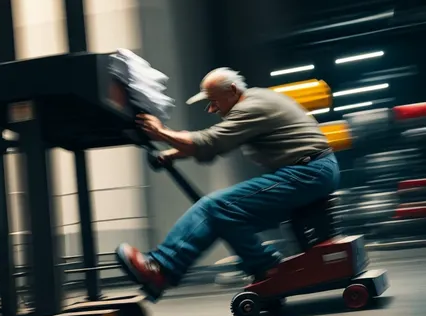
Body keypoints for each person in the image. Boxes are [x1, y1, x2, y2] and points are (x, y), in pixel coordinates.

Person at [116, 67, 340, 301]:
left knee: (216, 206)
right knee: (229, 218)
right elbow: (217, 143)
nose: (212, 109)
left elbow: (210, 142)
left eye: (213, 101)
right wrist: (172, 154)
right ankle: (266, 269)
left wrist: (161, 132)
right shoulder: (255, 100)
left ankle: (160, 268)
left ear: (232, 90)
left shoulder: (250, 107)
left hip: (308, 173)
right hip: (312, 171)